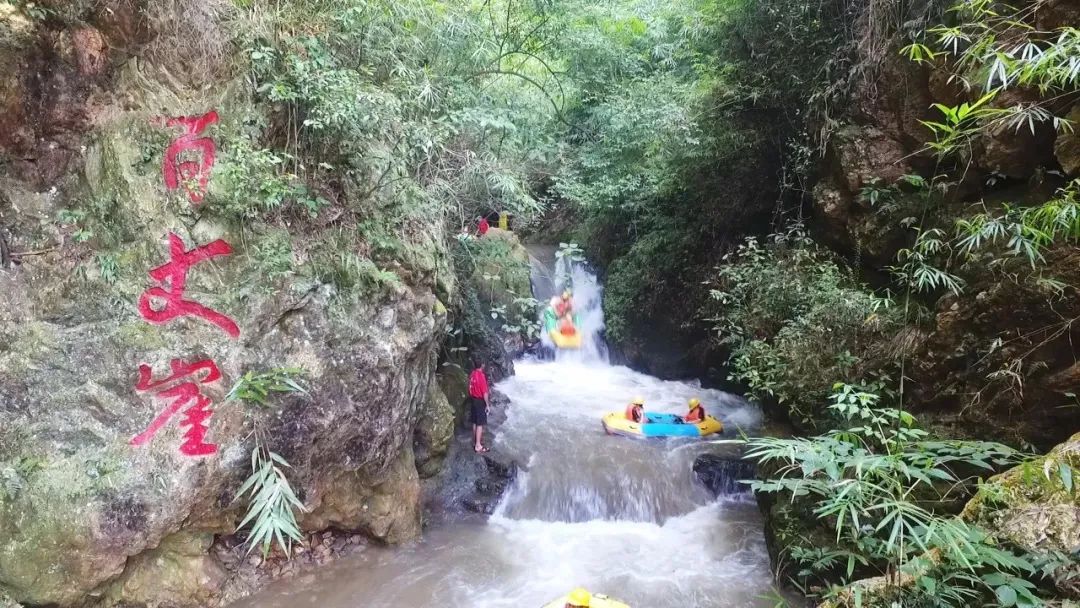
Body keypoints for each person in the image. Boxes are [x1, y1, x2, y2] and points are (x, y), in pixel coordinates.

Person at [468, 360, 491, 453]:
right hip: (480, 401)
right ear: (482, 365)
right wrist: (487, 405)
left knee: (474, 421)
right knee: (480, 424)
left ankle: (475, 441)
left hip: (473, 400)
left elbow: (469, 387)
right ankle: (478, 446)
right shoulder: (481, 376)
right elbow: (485, 393)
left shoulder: (472, 374)